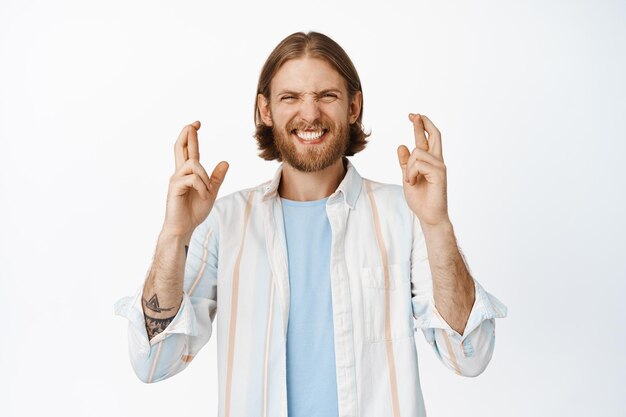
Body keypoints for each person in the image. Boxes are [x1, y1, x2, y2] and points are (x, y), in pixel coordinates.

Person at [114, 31, 507, 417]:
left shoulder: (405, 214)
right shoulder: (223, 221)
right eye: (291, 97)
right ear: (266, 110)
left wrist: (437, 224)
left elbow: (468, 356)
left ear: (353, 108)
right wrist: (174, 235)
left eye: (327, 96)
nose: (310, 114)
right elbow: (154, 362)